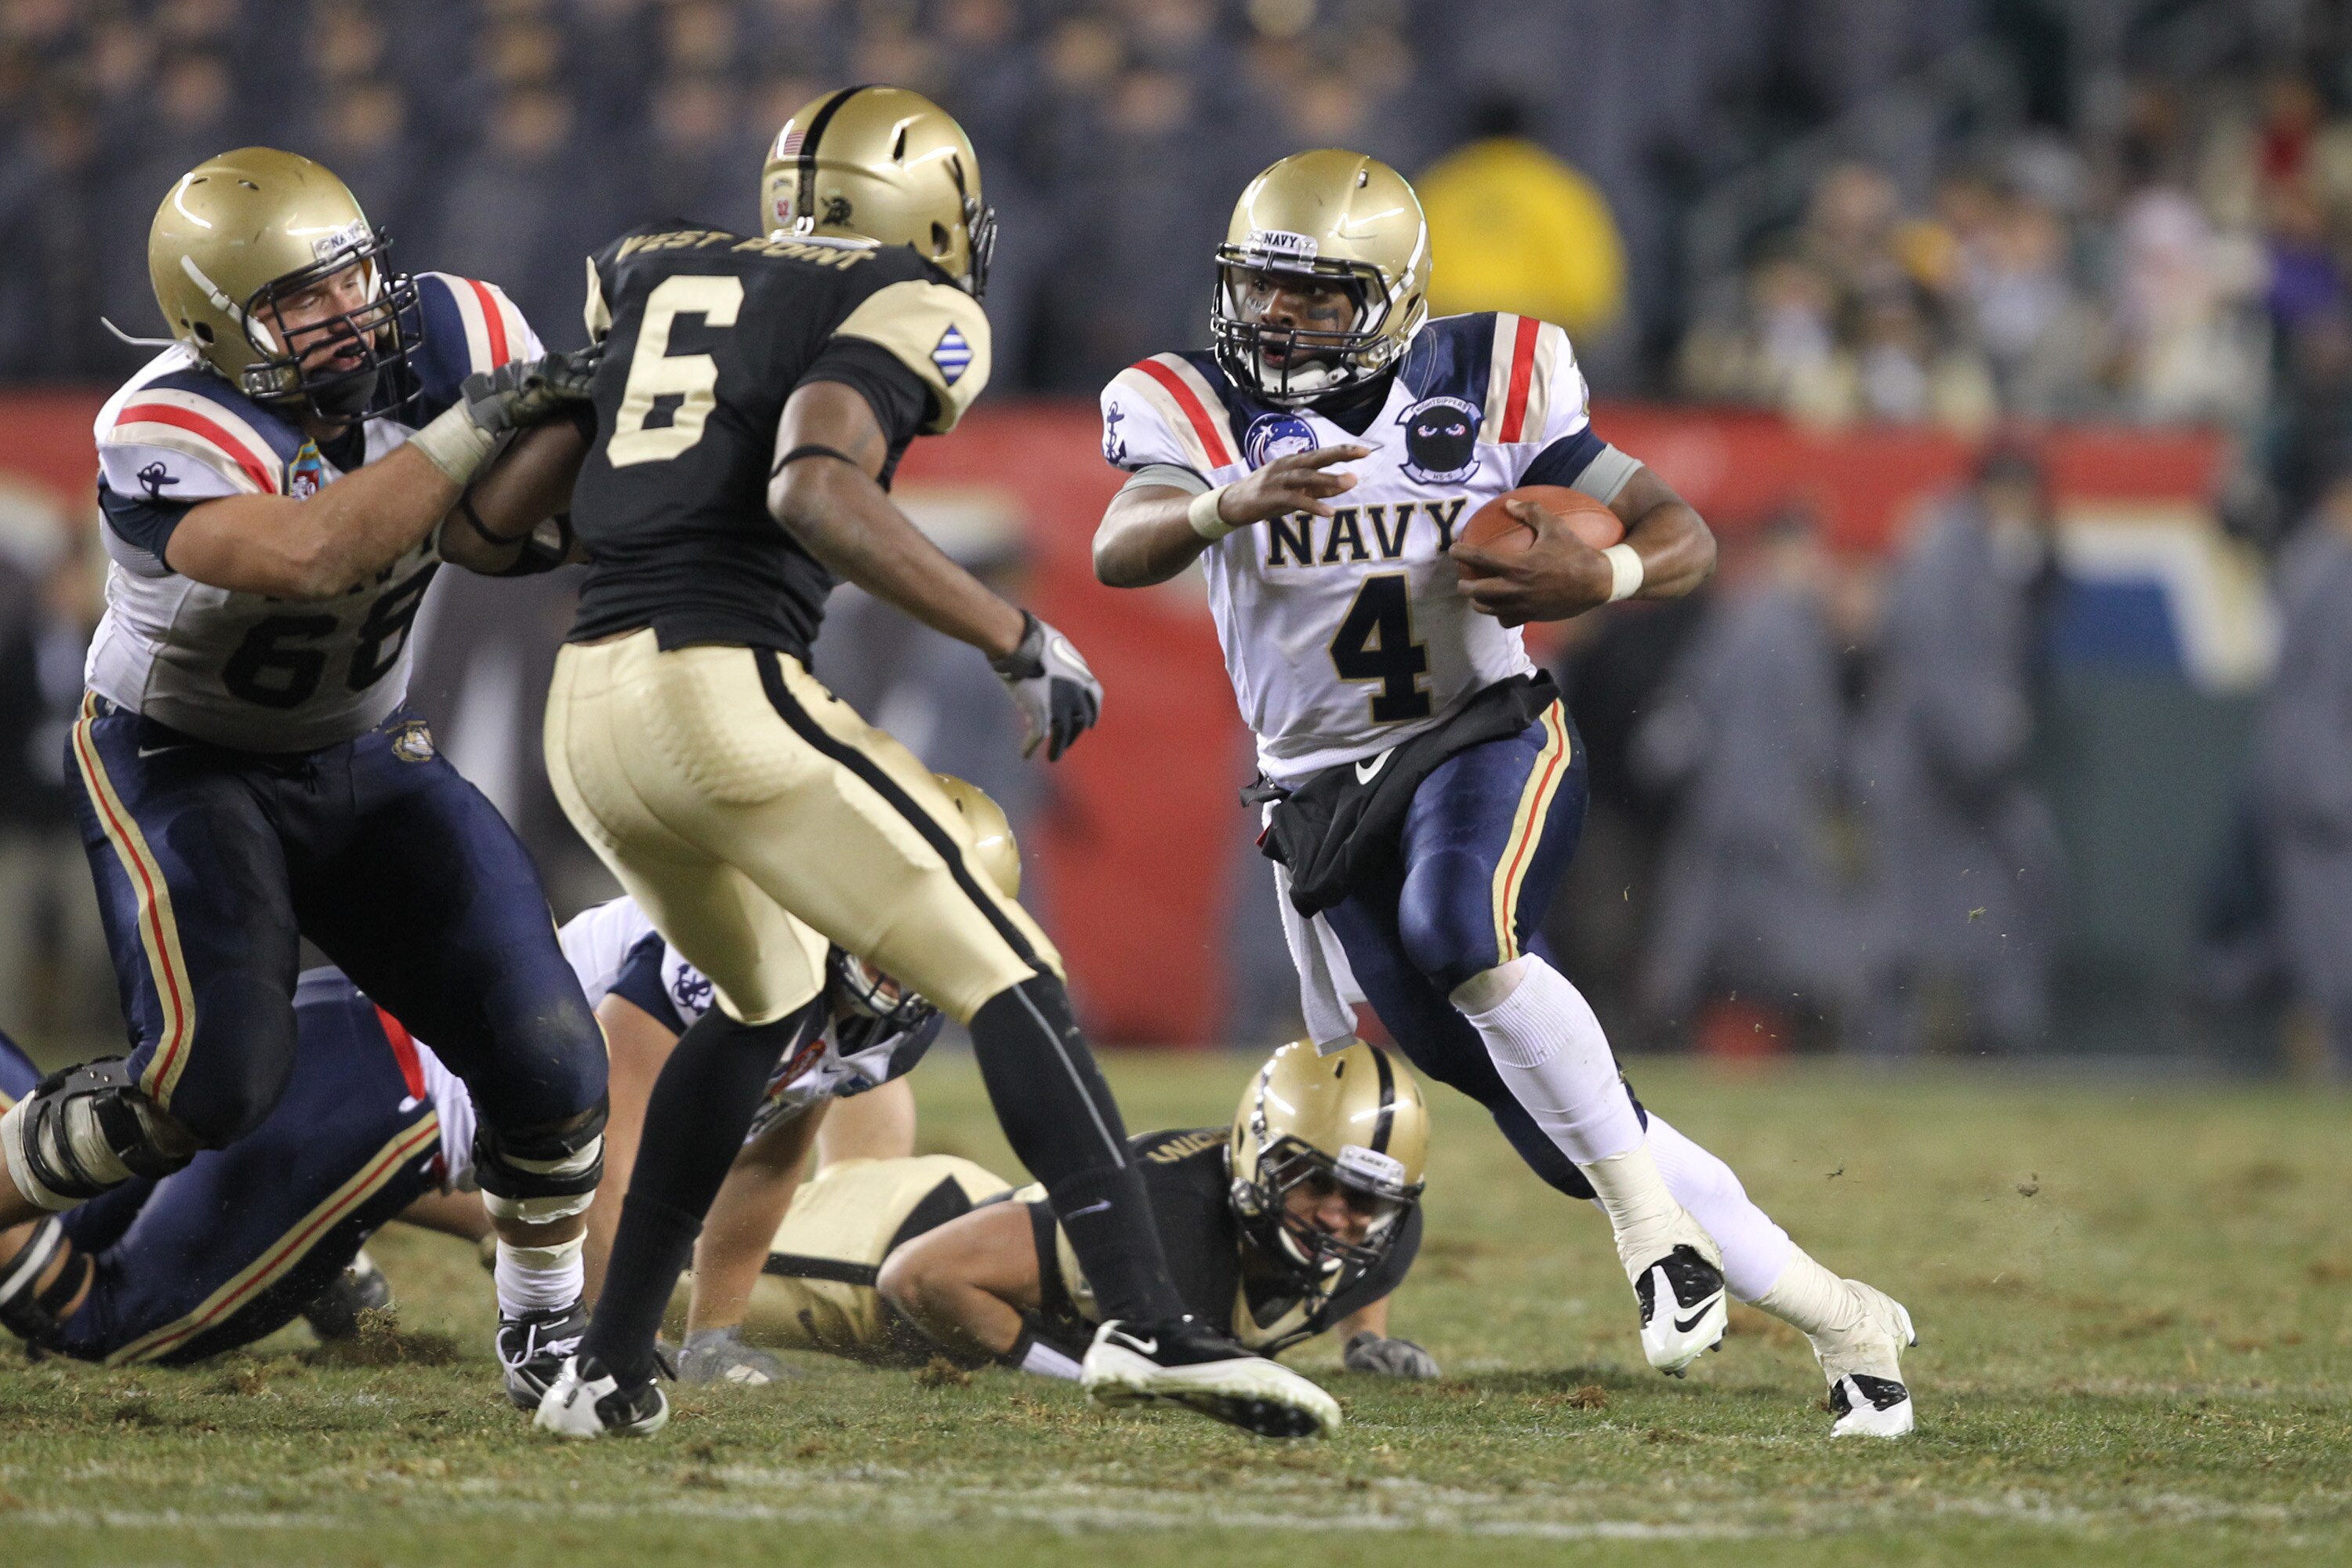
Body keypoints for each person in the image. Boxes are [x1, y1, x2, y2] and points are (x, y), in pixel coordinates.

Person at [535, 86, 1335, 1441]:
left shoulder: (653, 267)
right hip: (716, 686)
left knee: (763, 997)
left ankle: (606, 1367)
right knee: (1003, 961)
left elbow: (506, 527)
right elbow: (814, 486)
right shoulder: (908, 296)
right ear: (928, 210)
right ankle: (1151, 1322)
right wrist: (1014, 632)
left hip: (587, 713)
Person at [1091, 149, 1916, 1436]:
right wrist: (1224, 507)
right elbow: (1117, 545)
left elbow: (1678, 530)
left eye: (1314, 295)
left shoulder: (1492, 376)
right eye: (1261, 288)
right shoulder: (1190, 404)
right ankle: (1843, 1318)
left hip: (1479, 736)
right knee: (1563, 1137)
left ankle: (1655, 1240)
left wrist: (1611, 582)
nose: (1277, 318)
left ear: (1397, 299)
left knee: (1460, 931)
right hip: (1322, 795)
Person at [0, 147, 614, 1409]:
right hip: (182, 762)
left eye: (348, 279)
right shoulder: (164, 423)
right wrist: (484, 417)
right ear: (213, 328)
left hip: (364, 750)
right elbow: (311, 555)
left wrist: (597, 437)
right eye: (294, 300)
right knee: (207, 1085)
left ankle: (548, 1336)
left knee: (552, 1059)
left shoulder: (461, 325)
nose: (342, 313)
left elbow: (497, 536)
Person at [0, 868, 949, 1370]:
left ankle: (329, 1243)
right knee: (100, 1318)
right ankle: (329, 1236)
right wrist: (607, 1339)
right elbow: (606, 1154)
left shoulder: (884, 1027)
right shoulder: (734, 945)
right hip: (390, 1096)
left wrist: (714, 1338)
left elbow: (766, 1158)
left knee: (69, 1220)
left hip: (372, 1070)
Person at [684, 1039, 1439, 1384]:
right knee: (635, 1265)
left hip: (972, 1213)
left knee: (856, 1156)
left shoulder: (1383, 1232)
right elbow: (922, 1278)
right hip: (874, 1256)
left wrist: (1365, 1340)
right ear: (1257, 1158)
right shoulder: (1167, 1219)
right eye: (1317, 1187)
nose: (1341, 1220)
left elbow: (1362, 1266)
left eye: (1368, 1199)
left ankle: (833, 1053)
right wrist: (1074, 1369)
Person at [1857, 441, 2065, 1056]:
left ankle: (1987, 1043)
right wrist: (1987, 747)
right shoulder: (1954, 550)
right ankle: (1886, 1059)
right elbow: (1932, 659)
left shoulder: (1975, 550)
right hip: (1926, 772)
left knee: (1994, 900)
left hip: (1944, 775)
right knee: (1902, 928)